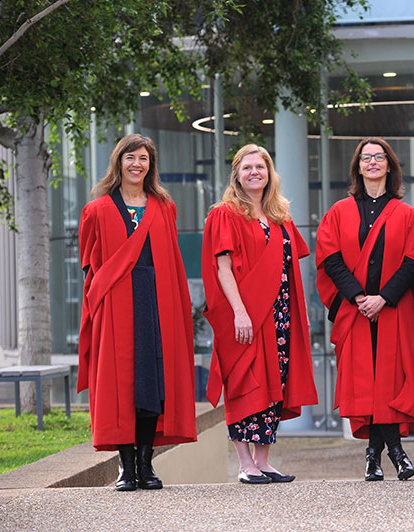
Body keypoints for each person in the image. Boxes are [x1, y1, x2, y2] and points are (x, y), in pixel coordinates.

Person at [78, 134, 197, 491]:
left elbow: (173, 262)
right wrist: (98, 309)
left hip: (155, 304)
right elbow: (89, 267)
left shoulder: (164, 206)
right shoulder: (97, 209)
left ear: (151, 165)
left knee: (151, 383)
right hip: (115, 306)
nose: (137, 164)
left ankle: (146, 465)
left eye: (143, 158)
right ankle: (125, 467)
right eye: (130, 157)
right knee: (119, 387)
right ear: (119, 162)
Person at [316, 137, 414, 481]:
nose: (372, 162)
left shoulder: (408, 214)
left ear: (389, 165)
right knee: (367, 383)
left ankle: (375, 455)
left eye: (378, 157)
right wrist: (358, 298)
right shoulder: (338, 212)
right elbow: (331, 260)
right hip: (356, 311)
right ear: (358, 166)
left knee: (390, 382)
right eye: (366, 157)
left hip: (393, 310)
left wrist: (384, 298)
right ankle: (394, 453)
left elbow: (413, 263)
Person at [202, 144, 318, 484]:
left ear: (270, 174)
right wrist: (239, 312)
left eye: (261, 167)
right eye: (248, 167)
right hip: (246, 314)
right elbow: (223, 269)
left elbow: (289, 265)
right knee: (244, 382)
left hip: (279, 314)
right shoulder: (226, 213)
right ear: (237, 174)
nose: (255, 172)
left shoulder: (280, 215)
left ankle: (263, 460)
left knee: (274, 382)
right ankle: (244, 463)